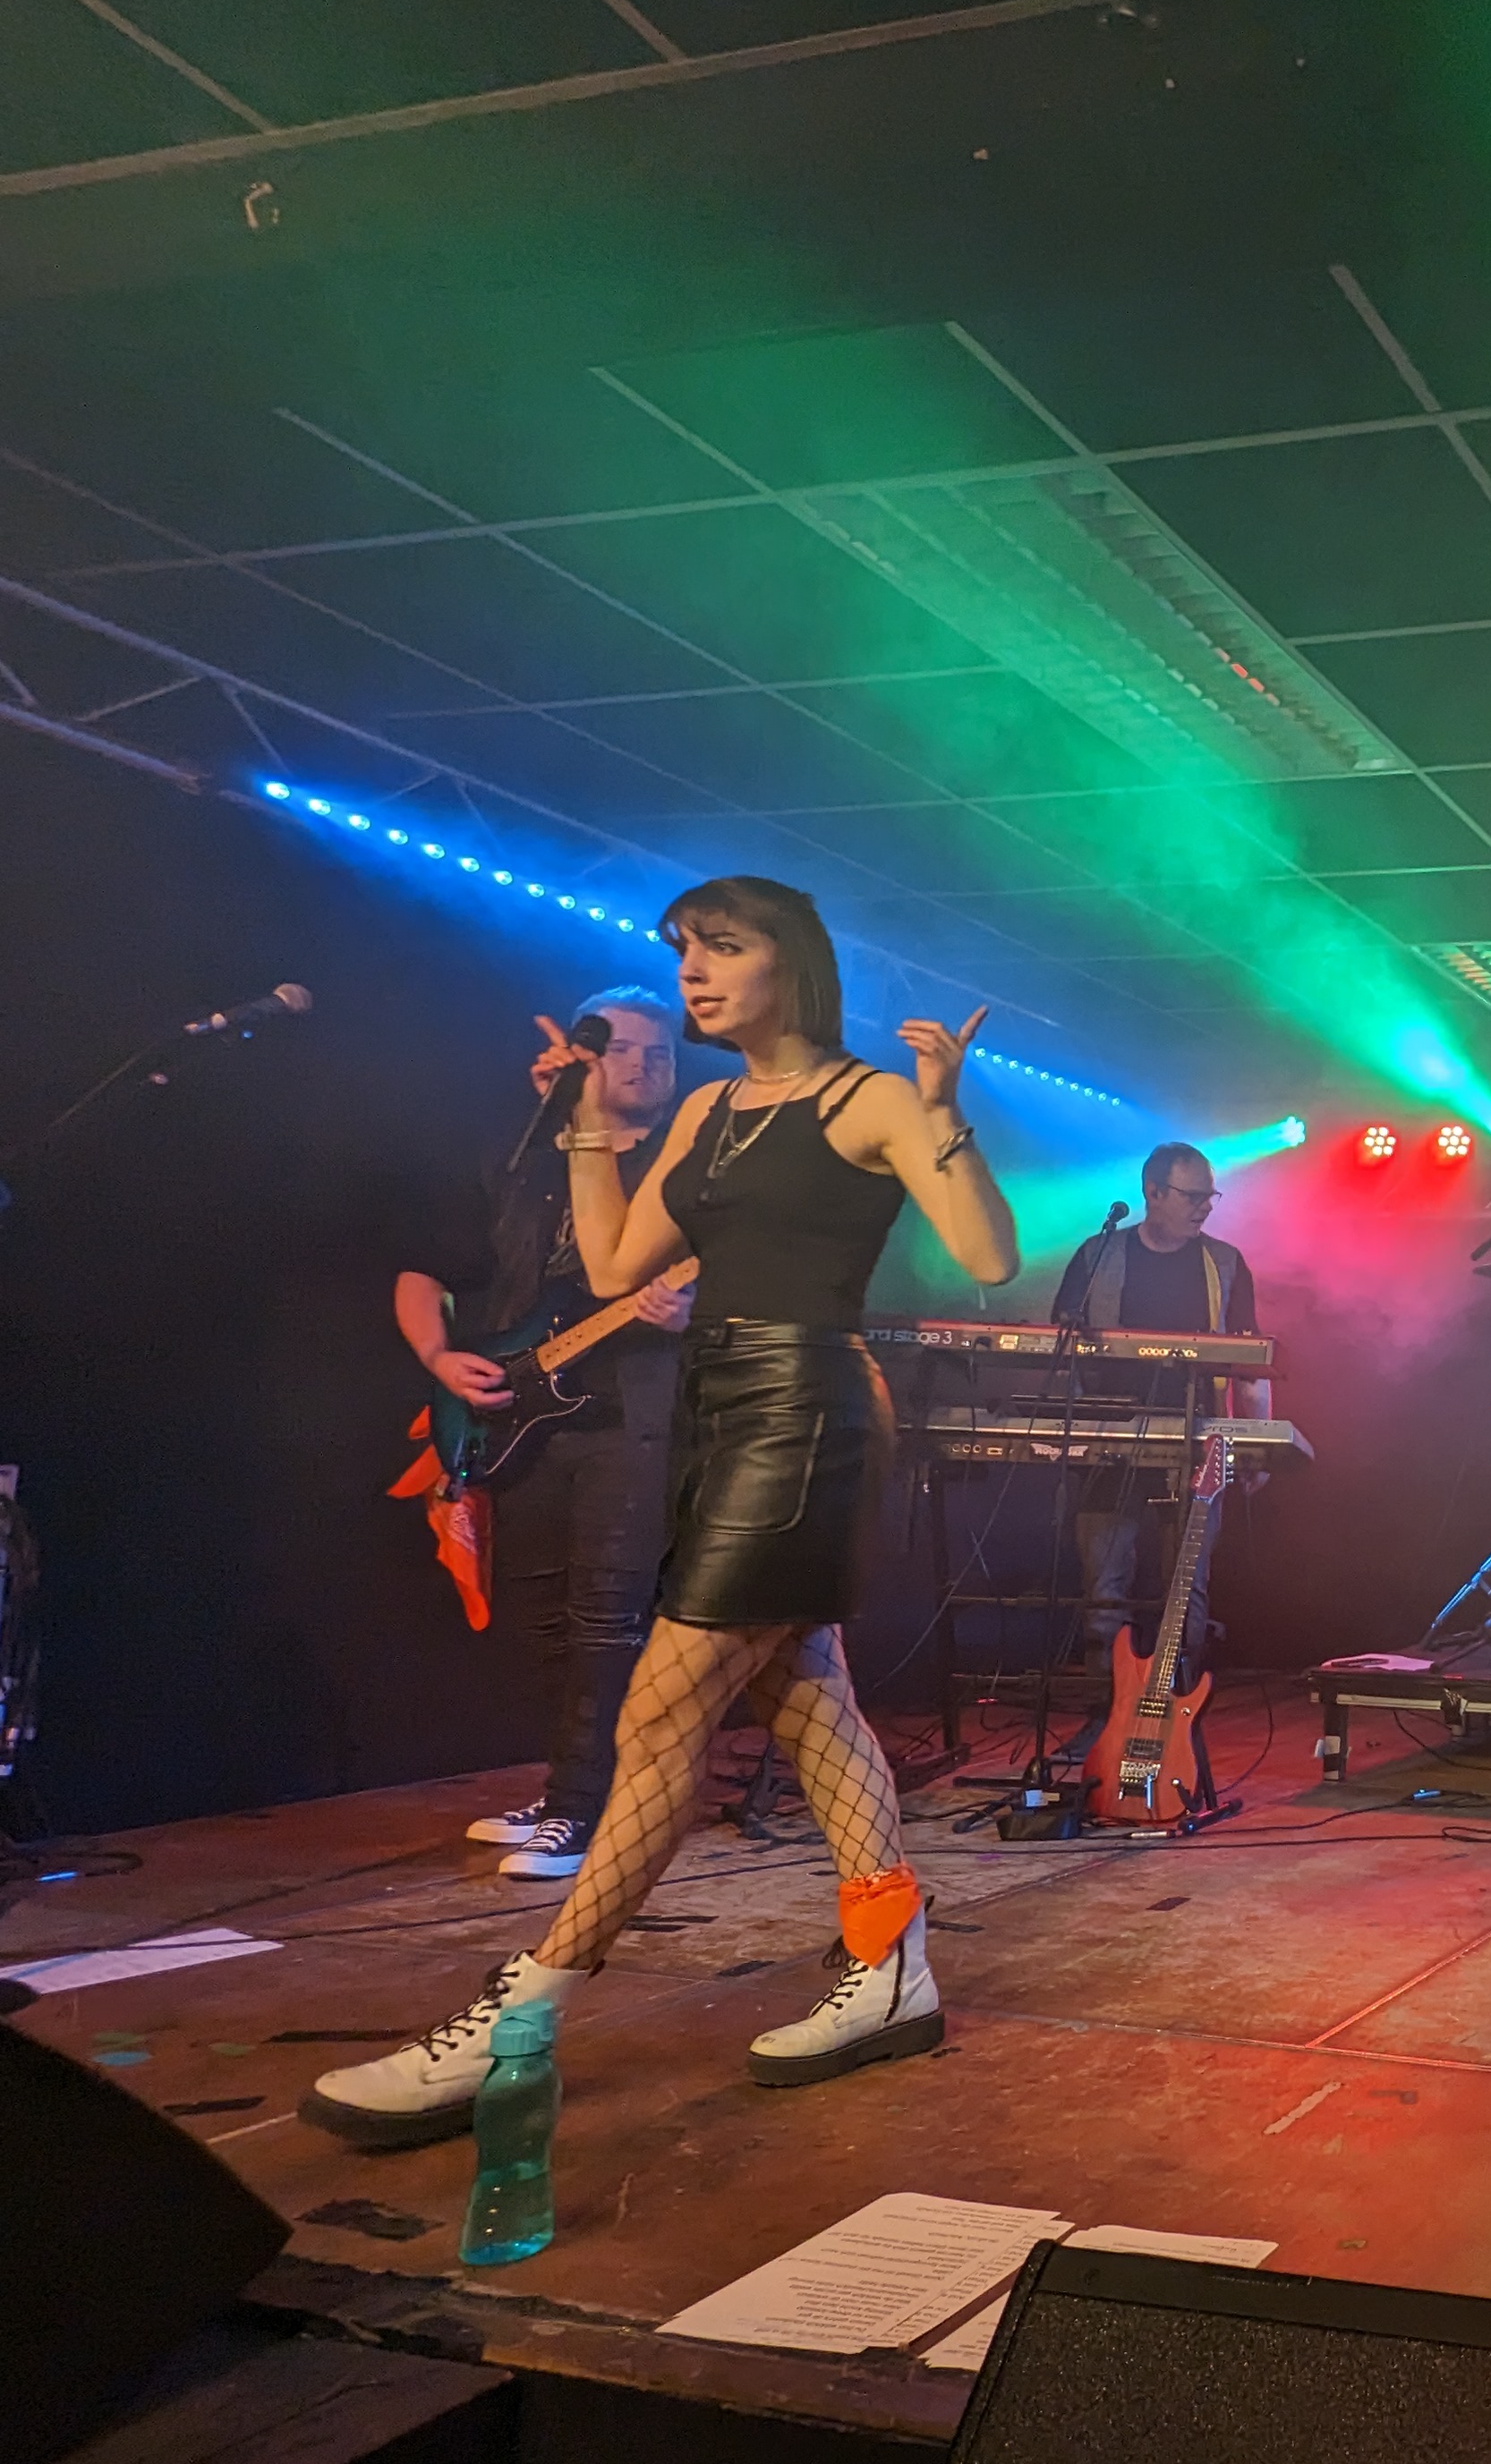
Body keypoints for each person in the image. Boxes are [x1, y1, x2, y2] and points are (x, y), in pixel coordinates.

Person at [307, 876, 1020, 2149]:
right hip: (715, 1413)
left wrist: (943, 1111)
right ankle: (890, 1965)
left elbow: (988, 1255)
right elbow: (612, 1263)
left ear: (790, 962)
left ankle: (522, 2019)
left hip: (806, 1413)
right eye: (684, 950)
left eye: (721, 948)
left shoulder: (866, 1099)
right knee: (810, 1700)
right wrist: (588, 1122)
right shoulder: (705, 1108)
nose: (693, 971)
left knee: (660, 1717)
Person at [395, 987, 691, 1879]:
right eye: (620, 1049)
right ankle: (571, 1783)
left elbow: (747, 1287)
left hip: (634, 1418)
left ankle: (580, 1809)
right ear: (583, 1062)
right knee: (542, 1617)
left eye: (660, 1052)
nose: (643, 1064)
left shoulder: (690, 1165)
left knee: (608, 1618)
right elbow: (424, 1269)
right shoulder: (521, 1156)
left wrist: (689, 1311)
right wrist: (441, 1357)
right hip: (523, 1420)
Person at [1051, 1143, 1267, 1671]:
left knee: (1186, 1586)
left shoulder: (1225, 1263)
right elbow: (1060, 1351)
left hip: (1197, 1439)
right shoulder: (1097, 1255)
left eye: (1211, 1195)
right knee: (1103, 1586)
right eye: (1193, 1196)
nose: (1206, 1206)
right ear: (1153, 1192)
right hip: (1107, 1438)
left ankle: (1177, 1697)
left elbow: (1251, 1362)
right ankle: (1107, 1699)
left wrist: (1257, 1443)